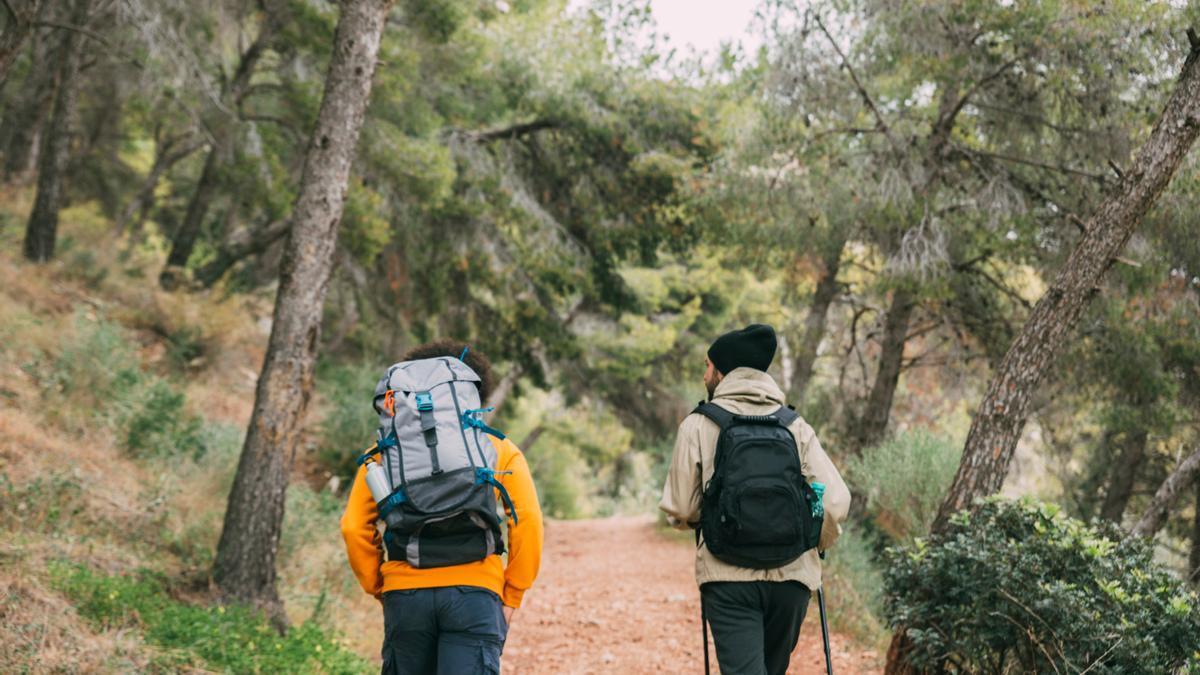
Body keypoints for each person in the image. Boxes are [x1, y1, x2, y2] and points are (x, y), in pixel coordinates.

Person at [341, 340, 544, 674]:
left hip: (405, 596)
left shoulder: (384, 452)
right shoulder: (497, 447)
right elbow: (528, 521)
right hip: (475, 595)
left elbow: (352, 527)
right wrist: (512, 594)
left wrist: (381, 586)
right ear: (471, 394)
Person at [660, 324, 851, 675]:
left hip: (727, 576)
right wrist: (816, 538)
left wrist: (702, 520)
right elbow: (836, 501)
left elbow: (683, 508)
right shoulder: (794, 425)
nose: (704, 374)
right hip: (792, 580)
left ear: (722, 371)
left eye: (707, 366)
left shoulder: (699, 425)